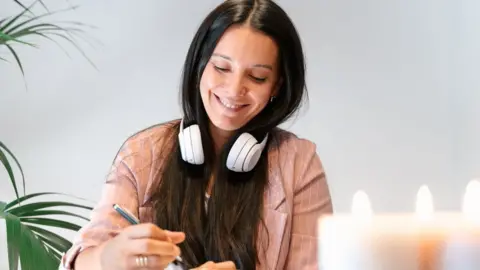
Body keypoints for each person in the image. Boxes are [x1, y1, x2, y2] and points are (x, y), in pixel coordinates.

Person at [60, 0, 333, 269]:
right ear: (200, 65)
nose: (234, 89)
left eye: (258, 77)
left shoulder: (299, 163)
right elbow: (79, 261)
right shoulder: (143, 152)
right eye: (222, 68)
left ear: (277, 85)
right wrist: (108, 258)